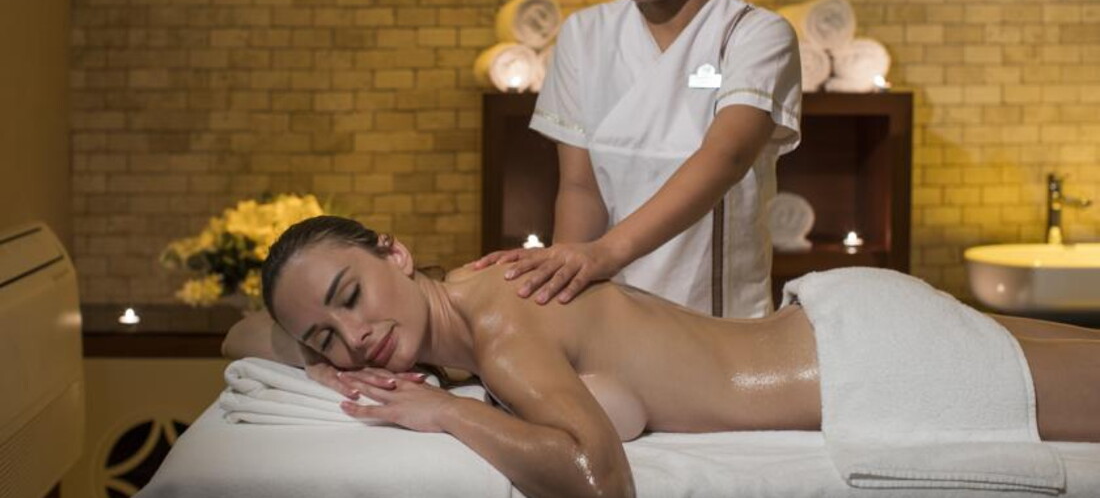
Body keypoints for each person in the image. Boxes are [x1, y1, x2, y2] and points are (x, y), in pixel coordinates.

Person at [223, 215, 1100, 498]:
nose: (354, 335)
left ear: (395, 249)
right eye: (324, 336)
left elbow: (596, 476)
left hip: (872, 366)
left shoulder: (500, 327)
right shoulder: (468, 300)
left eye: (350, 296)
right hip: (848, 325)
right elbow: (243, 334)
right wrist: (319, 353)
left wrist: (442, 409)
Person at [472, 0, 802, 317]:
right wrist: (563, 288)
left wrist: (605, 253)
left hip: (720, 324)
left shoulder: (754, 34)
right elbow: (580, 188)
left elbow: (726, 156)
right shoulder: (584, 35)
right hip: (614, 316)